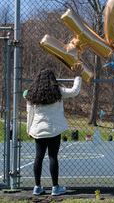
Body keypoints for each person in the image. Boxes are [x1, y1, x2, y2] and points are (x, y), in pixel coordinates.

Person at [25, 64, 83, 196]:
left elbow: (30, 113)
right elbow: (74, 91)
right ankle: (55, 188)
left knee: (38, 157)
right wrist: (78, 76)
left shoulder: (32, 93)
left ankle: (37, 187)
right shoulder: (57, 91)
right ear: (53, 79)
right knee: (53, 157)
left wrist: (29, 129)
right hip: (54, 130)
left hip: (38, 129)